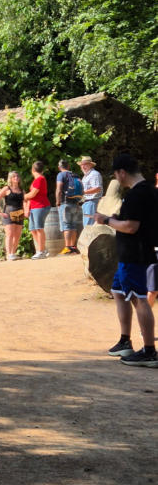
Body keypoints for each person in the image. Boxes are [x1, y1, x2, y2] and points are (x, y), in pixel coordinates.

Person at [93, 154, 158, 367]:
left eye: (115, 174)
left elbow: (131, 227)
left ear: (122, 172)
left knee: (139, 299)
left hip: (135, 254)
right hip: (132, 253)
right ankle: (125, 341)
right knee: (118, 292)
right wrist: (117, 219)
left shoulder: (136, 195)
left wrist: (106, 220)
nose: (116, 179)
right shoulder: (150, 190)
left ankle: (149, 350)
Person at [0, 170, 25, 260]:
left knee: (17, 235)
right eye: (14, 176)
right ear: (10, 178)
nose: (16, 178)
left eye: (17, 176)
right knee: (9, 234)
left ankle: (13, 253)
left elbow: (25, 201)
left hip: (19, 212)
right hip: (9, 211)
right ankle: (9, 254)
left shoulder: (21, 190)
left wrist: (26, 211)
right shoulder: (7, 188)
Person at [24, 161, 51, 259]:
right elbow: (31, 197)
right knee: (33, 229)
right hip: (34, 207)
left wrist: (22, 197)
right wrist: (27, 208)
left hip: (40, 206)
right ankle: (42, 249)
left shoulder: (40, 179)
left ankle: (41, 251)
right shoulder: (37, 180)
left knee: (39, 228)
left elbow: (32, 194)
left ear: (32, 170)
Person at [55, 159, 81, 254]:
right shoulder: (75, 175)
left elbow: (59, 189)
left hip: (65, 203)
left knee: (66, 225)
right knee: (73, 225)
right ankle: (73, 247)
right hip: (75, 203)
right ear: (68, 166)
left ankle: (67, 247)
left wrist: (58, 202)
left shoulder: (61, 175)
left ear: (59, 167)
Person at [79, 155, 103, 227]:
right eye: (81, 165)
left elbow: (97, 188)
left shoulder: (94, 174)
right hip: (87, 203)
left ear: (90, 165)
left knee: (88, 226)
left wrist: (82, 192)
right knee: (87, 225)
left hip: (92, 202)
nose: (83, 166)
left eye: (85, 164)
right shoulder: (86, 176)